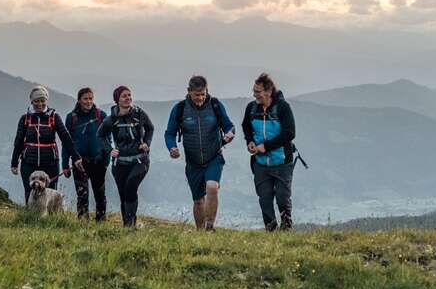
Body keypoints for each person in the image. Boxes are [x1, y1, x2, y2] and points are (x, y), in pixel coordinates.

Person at [165, 74, 235, 230]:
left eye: (203, 94)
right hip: (193, 162)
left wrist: (230, 134)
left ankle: (210, 227)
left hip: (214, 157)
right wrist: (172, 147)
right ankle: (200, 232)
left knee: (212, 187)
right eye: (197, 95)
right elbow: (170, 133)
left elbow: (229, 125)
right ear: (189, 91)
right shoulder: (180, 109)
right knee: (198, 200)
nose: (201, 98)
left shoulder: (215, 105)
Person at [242, 72, 297, 231]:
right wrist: (250, 142)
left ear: (268, 91)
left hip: (281, 161)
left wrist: (265, 147)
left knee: (282, 197)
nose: (254, 95)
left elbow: (289, 133)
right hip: (260, 163)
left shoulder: (283, 107)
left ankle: (286, 229)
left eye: (257, 91)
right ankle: (271, 230)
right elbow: (246, 126)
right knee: (264, 198)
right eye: (254, 91)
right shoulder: (251, 108)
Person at [10, 85, 77, 204]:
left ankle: (52, 221)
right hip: (29, 163)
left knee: (51, 195)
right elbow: (19, 141)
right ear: (32, 101)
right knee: (29, 194)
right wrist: (14, 163)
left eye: (42, 100)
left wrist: (76, 157)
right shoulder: (25, 118)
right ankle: (30, 220)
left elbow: (66, 138)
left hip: (50, 163)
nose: (39, 104)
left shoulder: (54, 117)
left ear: (46, 101)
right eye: (36, 101)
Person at [102, 84, 154, 227]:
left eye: (129, 95)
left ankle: (130, 225)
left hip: (140, 160)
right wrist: (109, 149)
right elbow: (100, 135)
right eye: (124, 96)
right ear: (117, 100)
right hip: (120, 162)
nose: (128, 98)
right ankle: (128, 226)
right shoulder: (111, 118)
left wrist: (147, 144)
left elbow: (150, 128)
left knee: (130, 187)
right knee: (123, 193)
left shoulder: (139, 114)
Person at [65, 87, 110, 221]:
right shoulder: (71, 117)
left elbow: (108, 140)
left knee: (100, 195)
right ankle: (83, 223)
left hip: (98, 162)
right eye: (85, 98)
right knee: (82, 195)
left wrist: (105, 161)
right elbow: (67, 143)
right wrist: (65, 164)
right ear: (79, 100)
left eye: (91, 98)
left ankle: (101, 223)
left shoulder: (101, 116)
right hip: (79, 163)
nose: (88, 101)